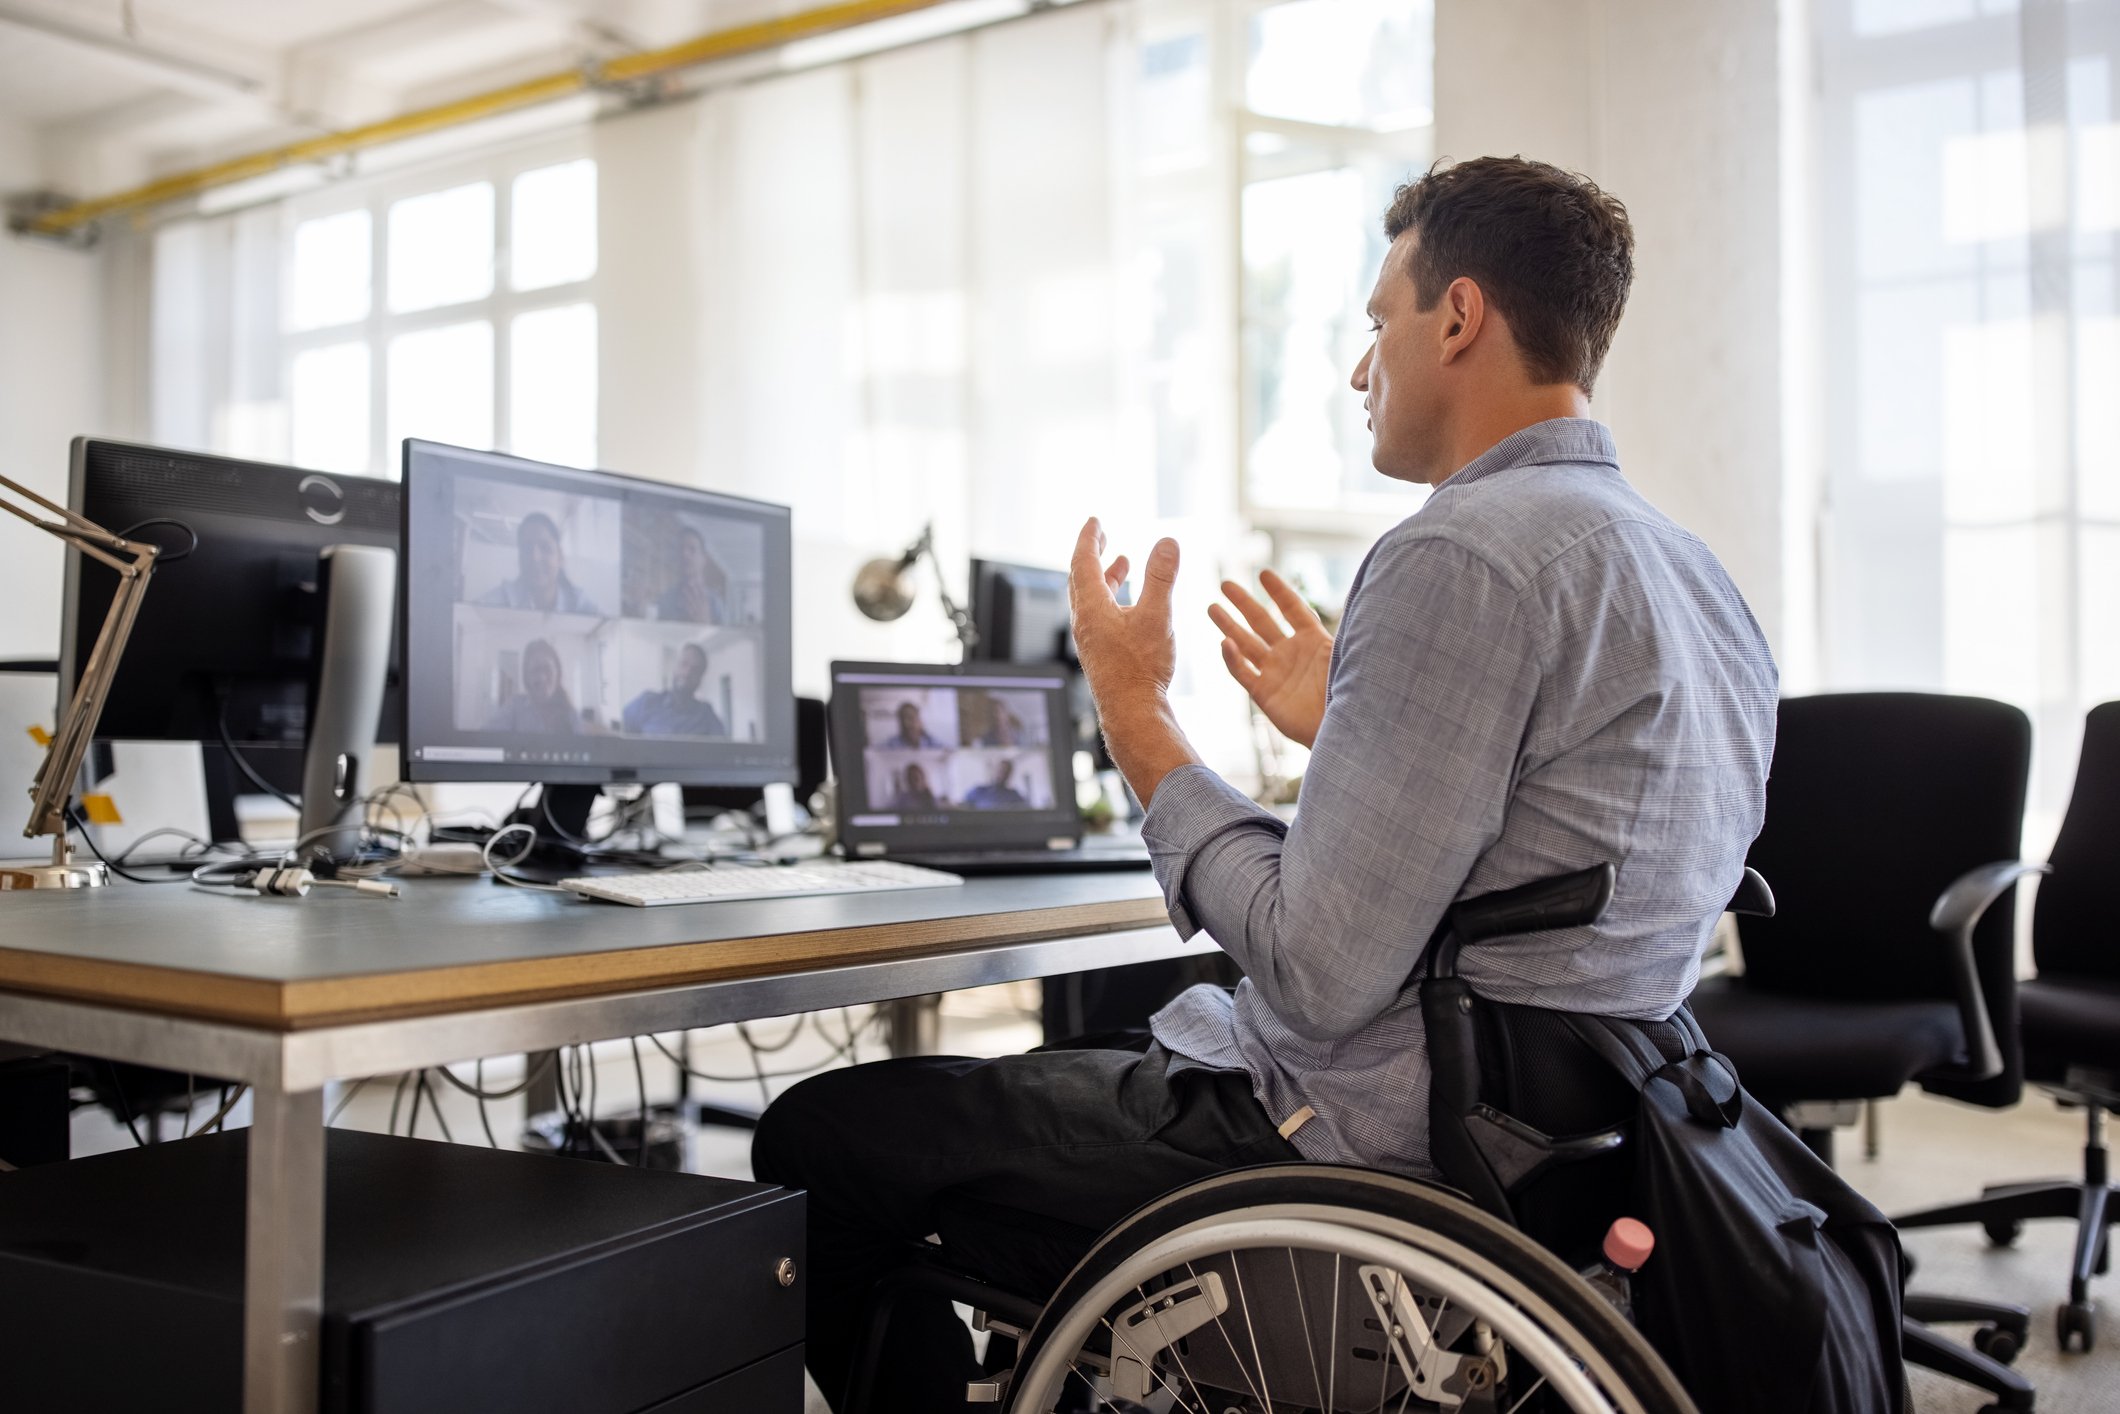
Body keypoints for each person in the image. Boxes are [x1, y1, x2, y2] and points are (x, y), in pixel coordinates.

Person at [752, 156, 1778, 1413]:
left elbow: (1321, 968)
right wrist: (1344, 733)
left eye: (1374, 326)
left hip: (1346, 1147)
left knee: (823, 1141)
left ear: (1454, 318)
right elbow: (1543, 862)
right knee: (1070, 1050)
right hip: (1558, 1142)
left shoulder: (1459, 550)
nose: (1360, 372)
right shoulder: (1691, 573)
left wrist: (1138, 718)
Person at [475, 511, 600, 615]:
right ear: (520, 558)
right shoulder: (498, 599)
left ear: (560, 557)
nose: (535, 558)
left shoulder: (578, 602)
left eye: (545, 548)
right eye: (527, 548)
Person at [620, 642, 727, 737]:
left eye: (695, 670)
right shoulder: (646, 702)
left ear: (700, 679)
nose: (687, 673)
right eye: (684, 664)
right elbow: (620, 736)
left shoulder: (706, 715)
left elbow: (723, 753)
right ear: (674, 667)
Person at [485, 639, 576, 734]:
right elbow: (483, 738)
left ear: (558, 673)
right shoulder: (515, 707)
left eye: (547, 668)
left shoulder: (570, 713)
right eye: (535, 670)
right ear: (526, 676)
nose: (542, 678)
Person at [655, 525, 729, 624]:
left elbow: (723, 639)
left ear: (704, 559)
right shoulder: (665, 600)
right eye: (680, 549)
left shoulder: (716, 603)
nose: (685, 554)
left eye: (692, 549)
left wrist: (705, 623)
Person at [962, 757, 1030, 809]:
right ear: (994, 770)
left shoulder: (1014, 796)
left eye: (1006, 772)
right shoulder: (978, 791)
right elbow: (963, 806)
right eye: (1001, 771)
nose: (1002, 775)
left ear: (1010, 775)